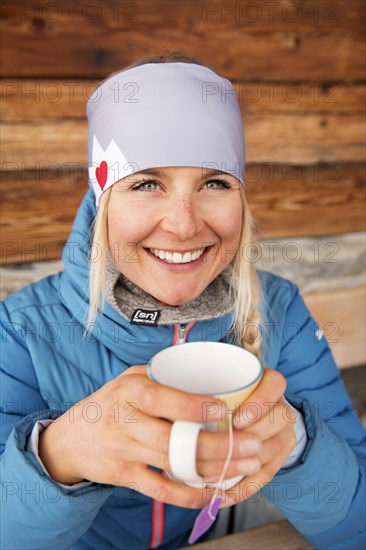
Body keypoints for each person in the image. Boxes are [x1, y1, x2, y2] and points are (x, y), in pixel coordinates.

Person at [0, 53, 365, 550]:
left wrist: (299, 444)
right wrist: (55, 457)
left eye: (214, 183)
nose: (185, 224)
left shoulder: (280, 310)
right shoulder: (21, 329)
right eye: (146, 183)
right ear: (103, 203)